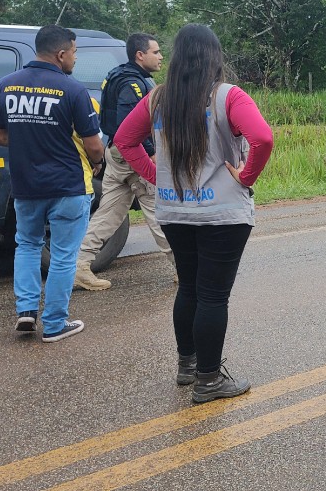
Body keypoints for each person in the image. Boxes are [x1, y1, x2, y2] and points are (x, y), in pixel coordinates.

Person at [114, 24, 274, 403]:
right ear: (215, 58)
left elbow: (124, 140)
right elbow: (263, 138)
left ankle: (188, 366)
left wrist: (156, 176)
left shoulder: (158, 99)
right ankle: (209, 379)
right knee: (214, 295)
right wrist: (247, 175)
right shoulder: (228, 97)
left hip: (174, 210)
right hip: (222, 213)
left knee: (189, 286)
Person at [0, 25, 104, 342]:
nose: (75, 60)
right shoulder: (74, 90)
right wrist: (97, 162)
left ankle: (26, 312)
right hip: (67, 185)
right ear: (61, 53)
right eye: (75, 53)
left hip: (26, 186)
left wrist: (28, 139)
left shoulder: (6, 86)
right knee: (64, 256)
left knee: (26, 245)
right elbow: (94, 145)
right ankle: (54, 324)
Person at [75, 33, 173, 290]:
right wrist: (150, 153)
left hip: (115, 153)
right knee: (158, 208)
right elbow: (129, 128)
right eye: (156, 51)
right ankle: (183, 268)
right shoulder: (133, 84)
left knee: (109, 211)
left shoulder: (116, 75)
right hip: (132, 154)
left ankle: (79, 265)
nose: (160, 56)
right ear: (140, 55)